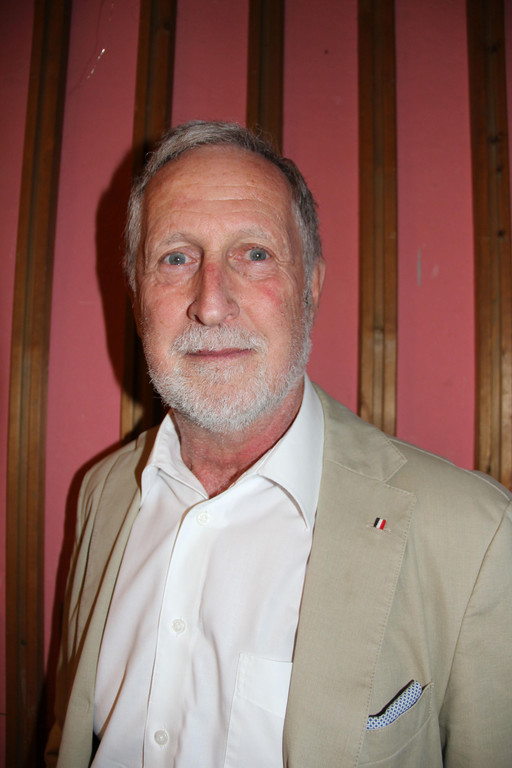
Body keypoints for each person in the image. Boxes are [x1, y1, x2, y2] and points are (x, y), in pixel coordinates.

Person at [46, 121, 512, 768]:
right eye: (176, 258)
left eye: (255, 254)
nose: (211, 304)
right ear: (135, 291)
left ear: (310, 285)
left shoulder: (475, 534)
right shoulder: (101, 494)